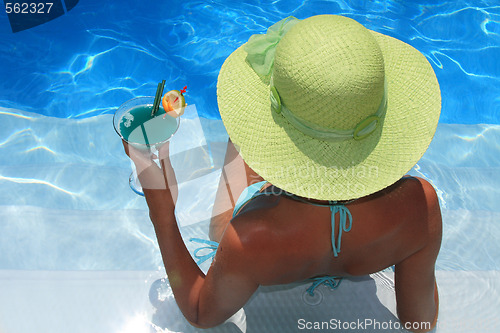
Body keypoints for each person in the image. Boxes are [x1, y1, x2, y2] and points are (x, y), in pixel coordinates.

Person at [122, 15, 442, 332]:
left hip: (274, 244)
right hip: (374, 231)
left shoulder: (250, 238)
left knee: (236, 157)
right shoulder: (420, 206)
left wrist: (161, 213)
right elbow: (420, 322)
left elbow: (199, 312)